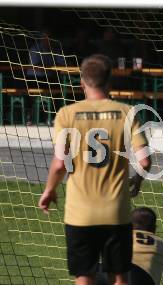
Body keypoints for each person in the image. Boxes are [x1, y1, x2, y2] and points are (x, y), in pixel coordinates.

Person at [38, 54, 151, 285]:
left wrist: (49, 190)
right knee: (120, 277)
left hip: (80, 214)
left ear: (82, 83)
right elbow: (145, 161)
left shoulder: (66, 114)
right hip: (116, 212)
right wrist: (137, 180)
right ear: (109, 82)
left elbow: (60, 163)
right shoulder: (128, 113)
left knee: (84, 276)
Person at [130, 207, 163, 285]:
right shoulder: (162, 243)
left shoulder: (121, 237)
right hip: (143, 279)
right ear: (154, 228)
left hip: (113, 276)